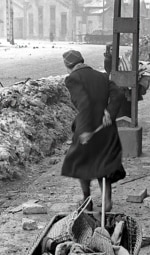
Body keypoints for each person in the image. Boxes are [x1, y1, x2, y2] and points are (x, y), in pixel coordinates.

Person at [61, 50, 126, 212]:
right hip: (106, 127)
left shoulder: (73, 79)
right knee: (104, 163)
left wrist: (84, 130)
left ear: (68, 66)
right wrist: (110, 112)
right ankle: (106, 200)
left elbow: (84, 104)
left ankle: (87, 200)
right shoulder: (101, 76)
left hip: (88, 127)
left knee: (82, 163)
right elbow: (118, 94)